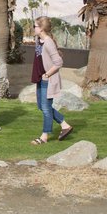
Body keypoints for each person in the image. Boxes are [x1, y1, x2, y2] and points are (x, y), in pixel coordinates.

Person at [31, 16, 73, 144]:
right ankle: (65, 125)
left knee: (45, 107)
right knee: (42, 106)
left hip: (47, 79)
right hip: (40, 78)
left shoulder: (48, 42)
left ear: (42, 28)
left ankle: (44, 136)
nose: (33, 28)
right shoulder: (39, 40)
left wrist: (47, 74)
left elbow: (58, 62)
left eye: (35, 26)